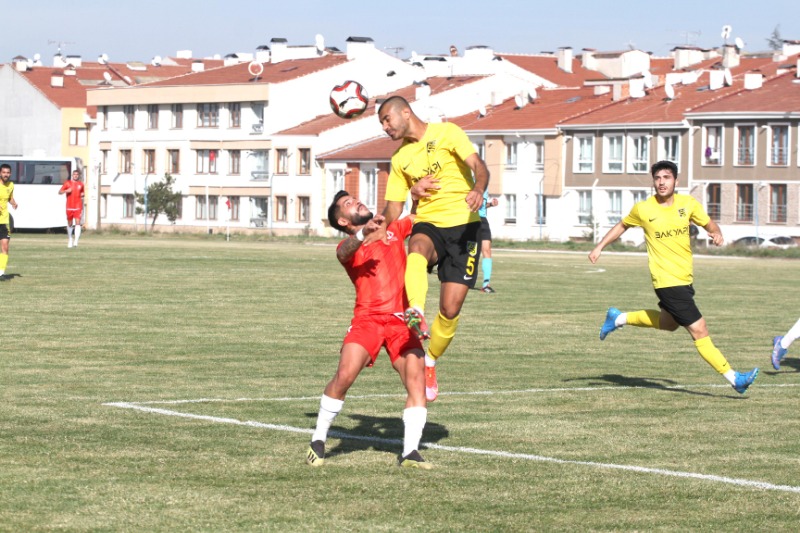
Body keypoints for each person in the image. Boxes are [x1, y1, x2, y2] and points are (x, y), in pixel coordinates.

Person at [588, 160, 759, 394]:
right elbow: (622, 225)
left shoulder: (688, 204)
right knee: (700, 329)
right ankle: (734, 379)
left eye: (666, 177)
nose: (661, 182)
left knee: (668, 324)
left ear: (676, 181)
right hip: (667, 282)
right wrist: (599, 247)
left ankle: (618, 318)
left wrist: (717, 233)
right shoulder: (643, 209)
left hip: (684, 279)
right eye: (657, 178)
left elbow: (710, 224)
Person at [373, 95, 490, 403]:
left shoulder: (447, 132)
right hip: (429, 223)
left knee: (450, 309)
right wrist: (381, 223)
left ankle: (431, 361)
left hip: (465, 227)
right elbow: (394, 206)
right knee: (417, 248)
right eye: (382, 123)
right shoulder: (400, 159)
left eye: (387, 120)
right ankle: (414, 310)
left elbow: (478, 165)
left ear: (405, 113)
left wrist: (478, 188)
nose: (385, 127)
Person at [307, 188, 431, 469]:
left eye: (355, 198)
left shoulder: (393, 229)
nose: (357, 202)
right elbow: (343, 252)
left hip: (402, 321)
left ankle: (410, 452)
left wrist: (416, 191)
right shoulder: (350, 245)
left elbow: (418, 214)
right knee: (344, 376)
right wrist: (364, 234)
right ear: (343, 222)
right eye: (348, 204)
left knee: (416, 380)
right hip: (368, 320)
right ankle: (318, 439)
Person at [478, 190, 499, 293]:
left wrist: (490, 204)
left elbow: (482, 205)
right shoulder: (469, 179)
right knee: (470, 252)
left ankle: (486, 285)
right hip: (470, 219)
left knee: (487, 250)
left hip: (483, 220)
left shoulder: (485, 184)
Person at [0, 163, 18, 279]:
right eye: (4, 172)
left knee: (5, 246)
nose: (6, 174)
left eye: (8, 172)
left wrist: (13, 203)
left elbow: (10, 197)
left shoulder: (11, 185)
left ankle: (1, 273)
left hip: (4, 220)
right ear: (0, 173)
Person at [59, 169, 85, 248]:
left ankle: (76, 241)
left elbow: (82, 193)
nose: (76, 175)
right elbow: (60, 192)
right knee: (70, 223)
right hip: (69, 206)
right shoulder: (68, 183)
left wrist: (82, 195)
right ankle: (70, 239)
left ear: (78, 175)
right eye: (74, 174)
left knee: (77, 222)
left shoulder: (81, 184)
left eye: (77, 174)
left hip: (78, 206)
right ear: (72, 175)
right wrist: (67, 190)